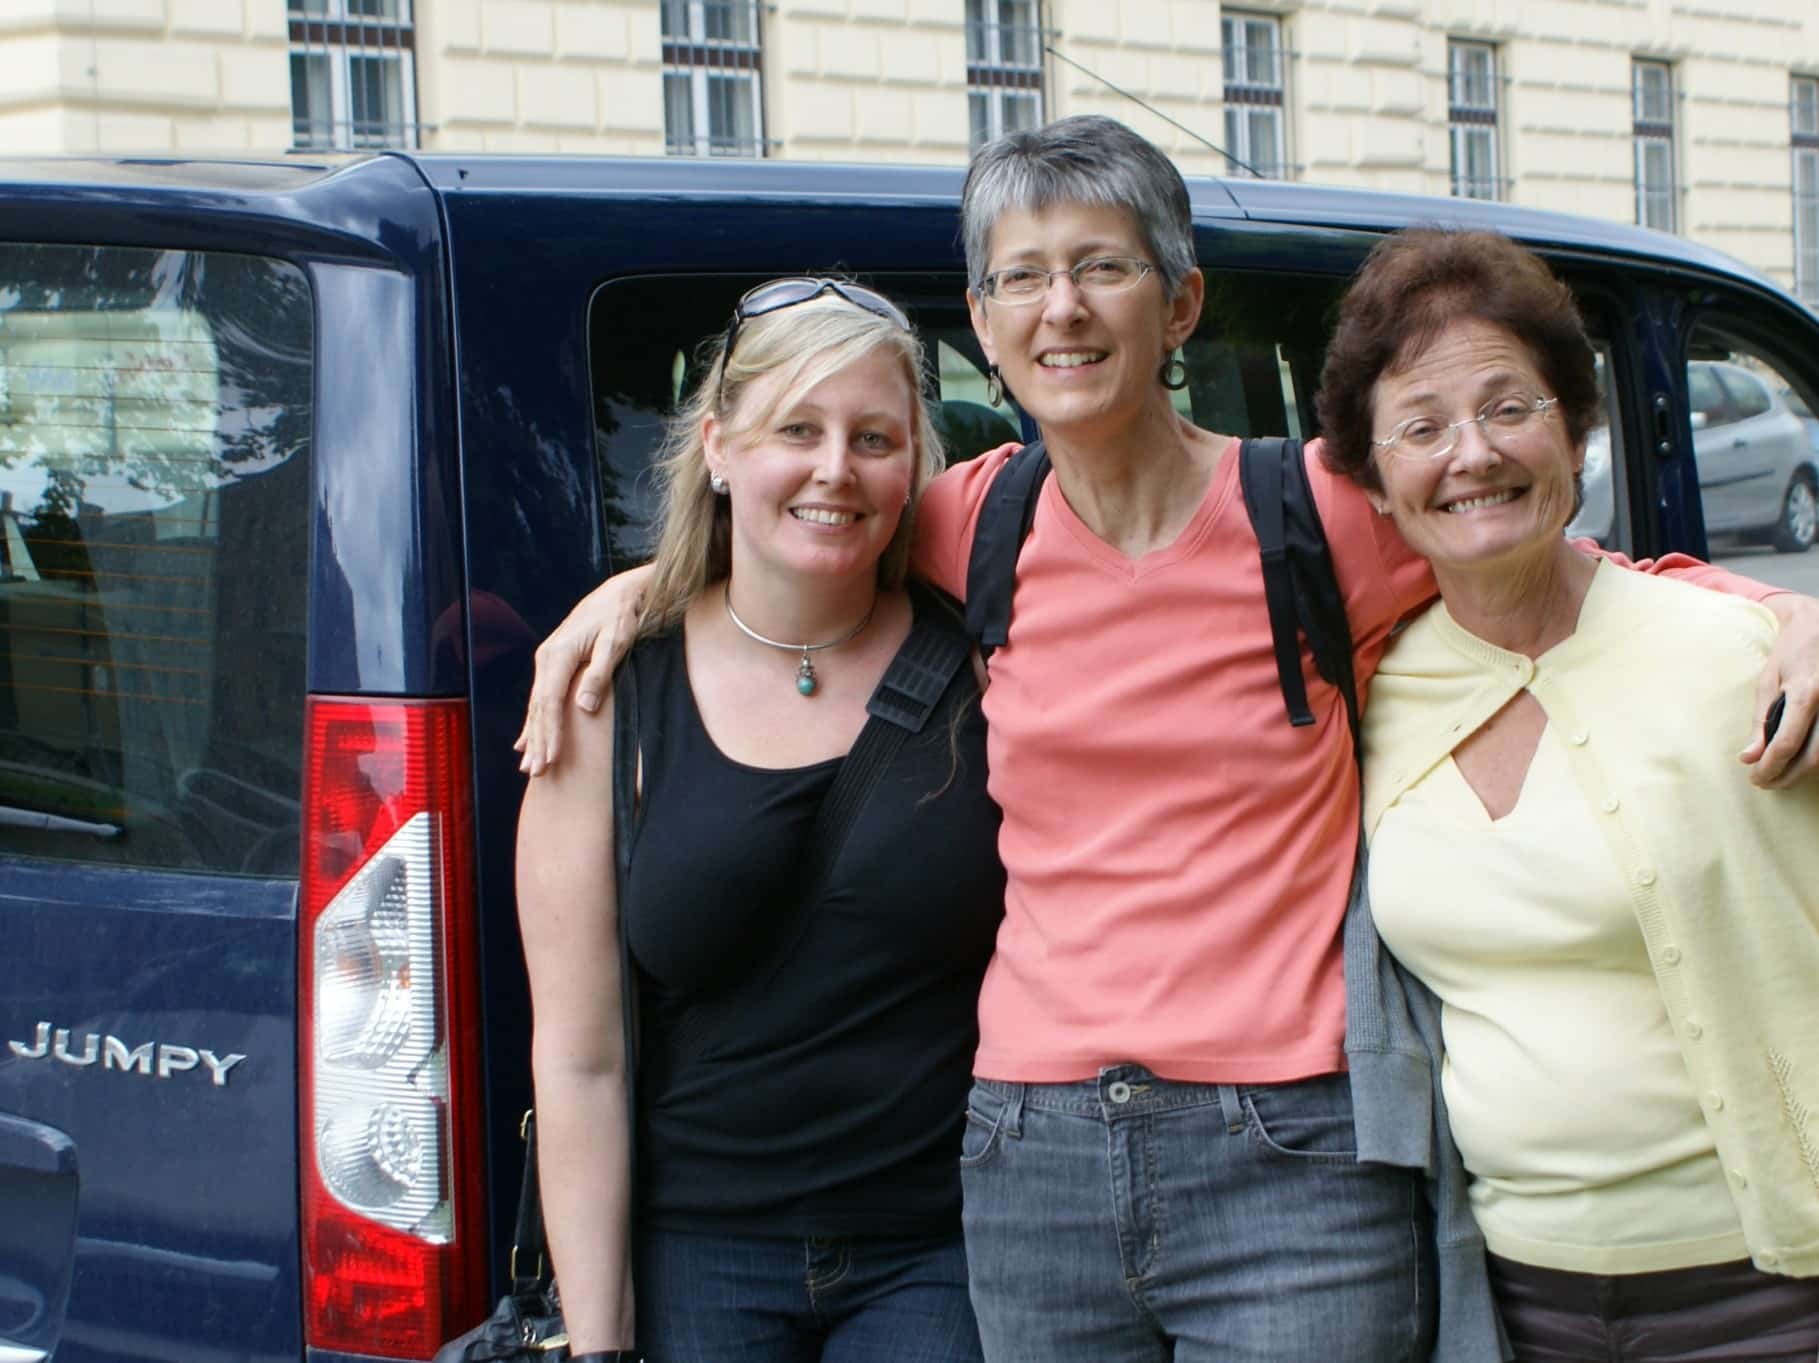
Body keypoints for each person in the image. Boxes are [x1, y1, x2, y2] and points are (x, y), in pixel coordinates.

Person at [516, 118, 1819, 1363]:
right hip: (1027, 1149)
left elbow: (1545, 562)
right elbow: (790, 542)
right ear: (980, 321)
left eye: (1099, 267)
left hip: (1289, 1150)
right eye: (1020, 276)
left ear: (1178, 306)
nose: (1060, 307)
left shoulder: (1311, 509)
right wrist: (633, 595)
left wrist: (1779, 608)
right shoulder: (970, 523)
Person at [1320, 227, 1819, 1362]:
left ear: (1575, 430)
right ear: (1373, 483)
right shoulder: (1375, 694)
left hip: (1771, 1285)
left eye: (1510, 407)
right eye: (1421, 427)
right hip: (1509, 1300)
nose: (1470, 455)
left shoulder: (1740, 647)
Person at [514, 278, 1004, 1363]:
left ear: (914, 463)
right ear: (720, 445)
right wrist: (597, 1343)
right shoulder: (609, 691)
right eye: (798, 429)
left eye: (874, 436)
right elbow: (579, 1054)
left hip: (940, 1254)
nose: (836, 469)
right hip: (697, 1252)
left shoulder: (984, 659)